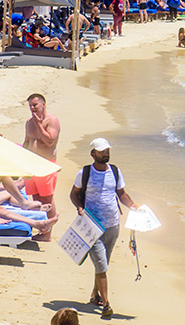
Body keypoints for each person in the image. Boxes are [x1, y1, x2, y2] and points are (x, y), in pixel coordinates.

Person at [69, 138, 138, 319]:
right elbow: (74, 194)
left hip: (113, 224)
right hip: (92, 225)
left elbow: (121, 194)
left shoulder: (115, 171)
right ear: (93, 154)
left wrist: (133, 206)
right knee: (101, 264)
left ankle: (95, 295)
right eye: (101, 151)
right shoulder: (85, 173)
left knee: (103, 264)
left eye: (106, 150)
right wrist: (79, 207)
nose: (105, 154)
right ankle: (106, 304)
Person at [23, 93, 60, 241]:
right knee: (36, 198)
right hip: (31, 164)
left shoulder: (52, 121)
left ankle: (48, 234)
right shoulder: (29, 122)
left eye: (35, 105)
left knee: (47, 199)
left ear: (43, 104)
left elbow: (50, 141)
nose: (32, 108)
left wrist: (39, 124)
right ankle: (40, 228)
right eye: (30, 106)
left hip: (46, 164)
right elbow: (26, 142)